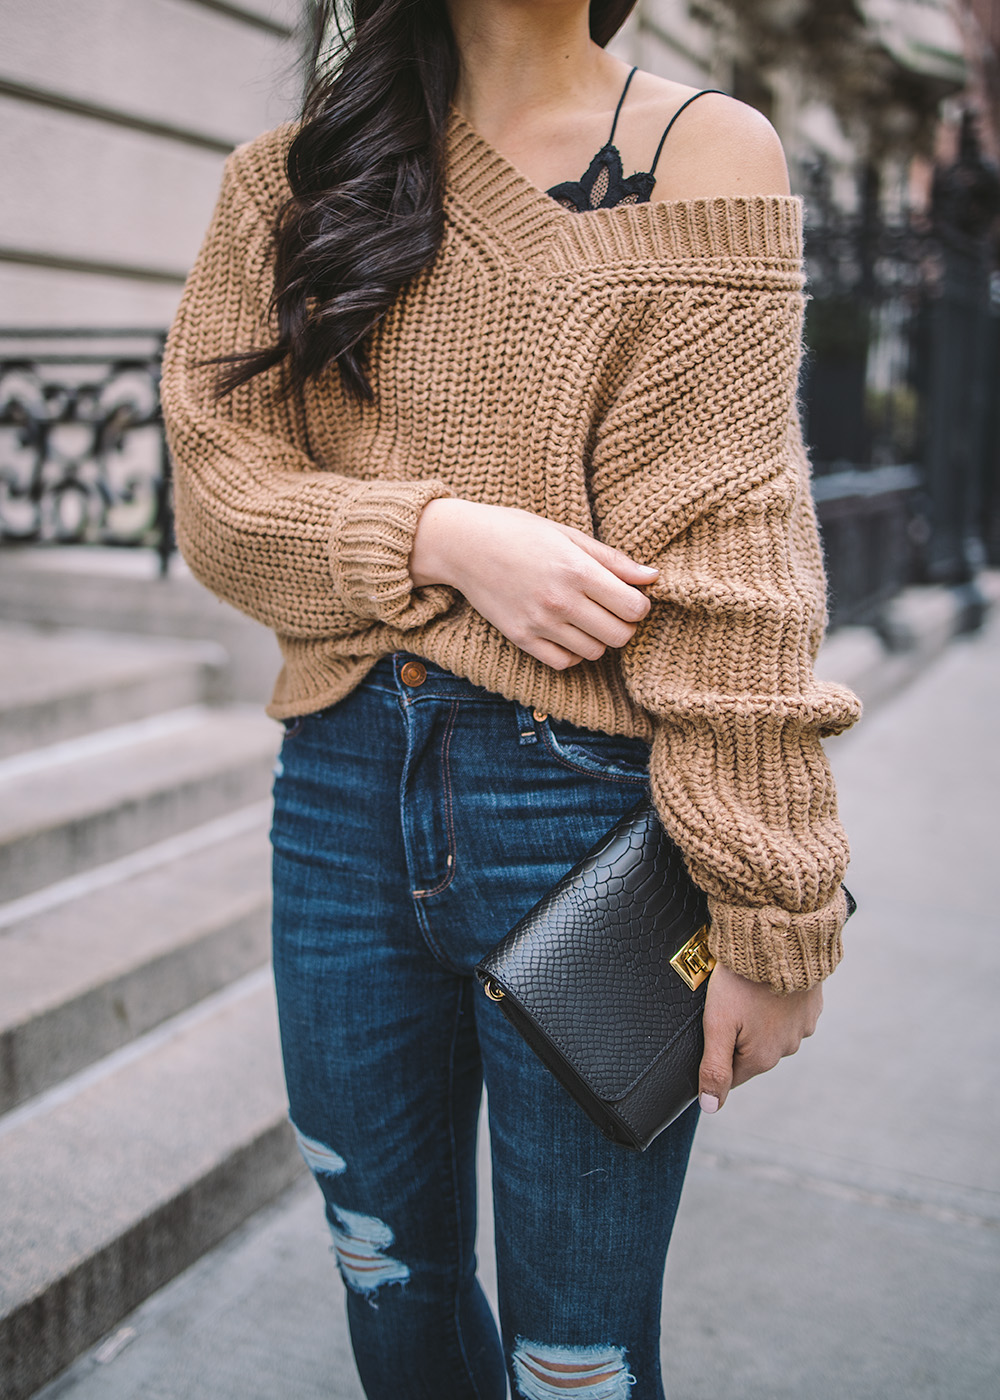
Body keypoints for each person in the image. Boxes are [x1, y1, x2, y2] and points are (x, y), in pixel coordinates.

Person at [160, 2, 861, 1396]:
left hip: (585, 815)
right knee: (387, 1280)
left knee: (575, 1356)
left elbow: (737, 565)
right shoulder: (289, 180)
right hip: (340, 797)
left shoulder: (700, 148)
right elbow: (219, 500)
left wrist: (773, 911)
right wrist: (441, 537)